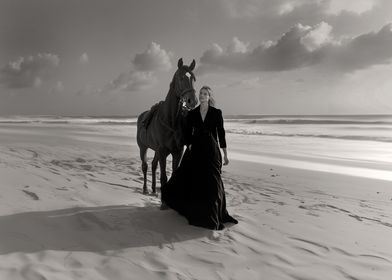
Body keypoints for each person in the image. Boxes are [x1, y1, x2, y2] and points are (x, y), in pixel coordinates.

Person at [161, 86, 238, 230]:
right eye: (201, 94)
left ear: (209, 97)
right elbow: (188, 132)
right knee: (191, 179)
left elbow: (221, 133)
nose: (202, 96)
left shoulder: (216, 113)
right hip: (195, 149)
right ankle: (196, 212)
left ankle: (214, 214)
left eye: (205, 94)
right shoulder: (193, 113)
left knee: (213, 181)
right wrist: (189, 143)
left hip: (211, 150)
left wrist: (225, 153)